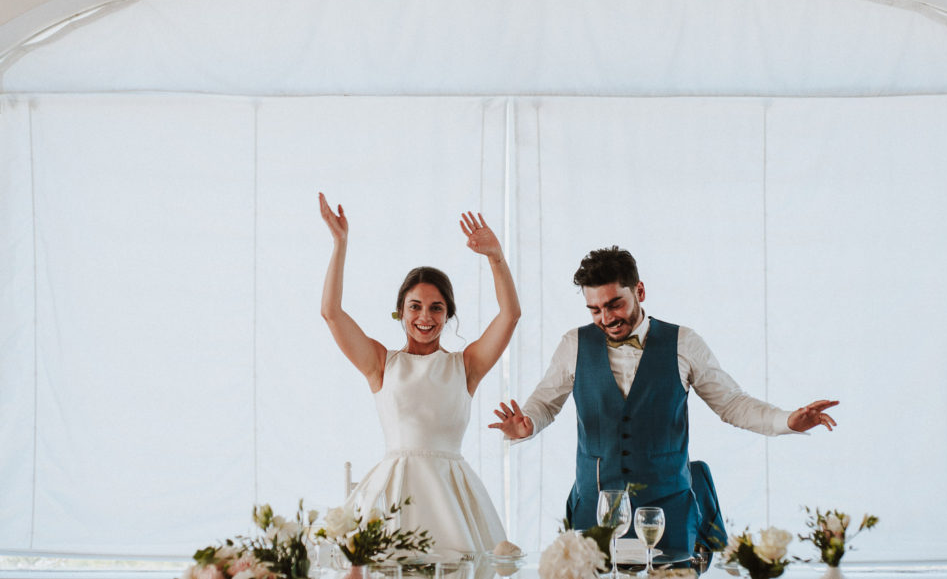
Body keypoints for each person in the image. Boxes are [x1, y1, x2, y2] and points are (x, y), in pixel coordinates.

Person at [489, 246, 837, 555]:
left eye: (614, 304)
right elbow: (544, 403)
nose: (606, 319)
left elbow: (731, 403)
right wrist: (527, 425)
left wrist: (788, 420)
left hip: (667, 509)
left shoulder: (684, 342)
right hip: (596, 508)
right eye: (594, 309)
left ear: (639, 290)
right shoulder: (573, 344)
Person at [319, 193, 521, 556]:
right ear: (400, 311)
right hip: (394, 494)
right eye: (415, 307)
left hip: (454, 498)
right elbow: (331, 313)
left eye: (436, 308)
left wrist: (496, 258)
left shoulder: (465, 365)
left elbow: (510, 315)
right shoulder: (381, 363)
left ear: (448, 315)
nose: (425, 317)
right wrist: (340, 243)